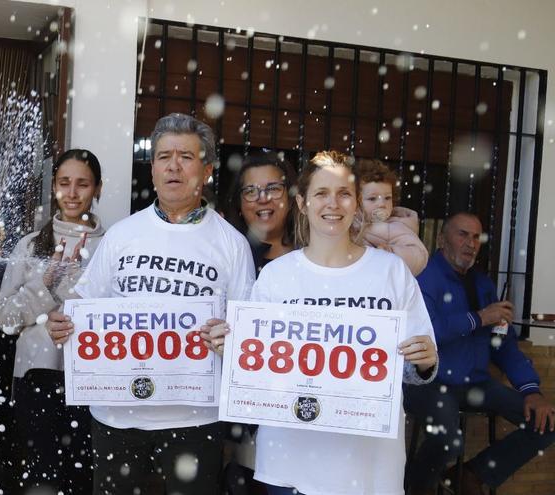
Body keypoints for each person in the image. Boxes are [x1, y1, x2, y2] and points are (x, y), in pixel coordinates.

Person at [46, 113, 255, 494]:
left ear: (206, 170)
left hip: (195, 415)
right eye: (163, 156)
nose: (173, 165)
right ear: (153, 170)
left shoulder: (232, 244)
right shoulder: (123, 235)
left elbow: (247, 330)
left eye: (186, 157)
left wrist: (232, 337)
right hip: (117, 414)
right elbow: (84, 306)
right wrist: (62, 321)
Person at [208, 150, 438, 495]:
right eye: (321, 193)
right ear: (302, 202)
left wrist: (425, 362)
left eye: (344, 193)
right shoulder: (276, 276)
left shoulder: (391, 272)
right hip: (291, 462)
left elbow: (415, 369)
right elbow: (256, 371)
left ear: (357, 202)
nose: (334, 204)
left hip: (370, 465)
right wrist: (231, 349)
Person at [405, 212, 555, 495]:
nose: (470, 243)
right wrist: (479, 317)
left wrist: (531, 389)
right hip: (430, 382)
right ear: (441, 239)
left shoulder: (483, 284)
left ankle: (468, 476)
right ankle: (415, 488)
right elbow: (427, 334)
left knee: (545, 424)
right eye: (462, 234)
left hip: (475, 383)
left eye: (476, 237)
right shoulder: (423, 279)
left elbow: (503, 344)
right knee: (449, 441)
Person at [0, 149, 105, 494]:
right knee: (41, 478)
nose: (72, 194)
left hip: (92, 377)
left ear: (98, 189)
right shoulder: (30, 245)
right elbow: (4, 318)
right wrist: (44, 291)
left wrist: (78, 325)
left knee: (84, 477)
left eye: (82, 184)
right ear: (53, 186)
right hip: (36, 377)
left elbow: (121, 317)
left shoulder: (113, 245)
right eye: (64, 183)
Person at [222, 151, 297, 494]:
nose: (262, 199)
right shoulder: (228, 255)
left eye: (273, 188)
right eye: (250, 191)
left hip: (303, 405)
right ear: (239, 202)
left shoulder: (316, 252)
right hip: (246, 412)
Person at [355, 158, 428, 276]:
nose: (382, 204)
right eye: (372, 199)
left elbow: (419, 256)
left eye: (387, 198)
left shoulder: (395, 226)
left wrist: (392, 253)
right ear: (355, 202)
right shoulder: (348, 224)